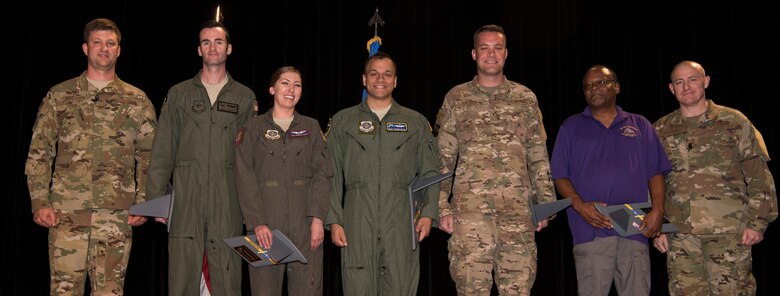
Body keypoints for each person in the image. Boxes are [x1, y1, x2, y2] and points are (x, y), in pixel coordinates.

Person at [25, 18, 156, 295]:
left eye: (110, 43)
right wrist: (40, 200)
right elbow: (39, 151)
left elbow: (149, 157)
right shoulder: (59, 96)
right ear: (86, 48)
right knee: (64, 291)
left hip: (116, 215)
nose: (104, 49)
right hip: (66, 214)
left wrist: (144, 202)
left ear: (119, 50)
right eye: (97, 42)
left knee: (109, 291)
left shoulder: (137, 100)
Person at [435, 24, 556, 296]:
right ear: (474, 55)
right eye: (484, 48)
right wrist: (440, 207)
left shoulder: (525, 98)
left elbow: (538, 154)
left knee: (518, 290)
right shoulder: (457, 98)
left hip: (519, 213)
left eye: (497, 48)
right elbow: (442, 159)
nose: (491, 54)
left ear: (506, 53)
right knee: (470, 290)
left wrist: (545, 205)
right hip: (469, 216)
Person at [146, 20, 256, 295]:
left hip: (228, 199)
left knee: (227, 276)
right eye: (206, 42)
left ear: (229, 49)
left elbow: (252, 159)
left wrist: (252, 209)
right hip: (186, 199)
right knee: (182, 275)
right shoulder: (179, 94)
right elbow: (162, 149)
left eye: (218, 42)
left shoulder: (244, 97)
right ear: (199, 50)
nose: (212, 47)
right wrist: (157, 201)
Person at [652, 61, 778, 296]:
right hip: (680, 236)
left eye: (692, 79)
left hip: (729, 233)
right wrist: (657, 229)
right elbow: (652, 182)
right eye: (679, 82)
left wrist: (758, 222)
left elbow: (758, 175)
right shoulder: (660, 129)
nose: (686, 86)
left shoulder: (734, 121)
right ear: (671, 88)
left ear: (706, 81)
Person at [325, 51, 441, 296]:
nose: (381, 79)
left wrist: (429, 214)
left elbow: (431, 172)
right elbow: (331, 175)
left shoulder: (415, 122)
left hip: (401, 222)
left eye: (387, 74)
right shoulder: (343, 122)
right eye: (374, 74)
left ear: (396, 81)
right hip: (356, 222)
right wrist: (335, 220)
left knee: (401, 287)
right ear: (364, 80)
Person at [550, 65, 671, 295]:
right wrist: (579, 205)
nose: (593, 88)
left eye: (600, 83)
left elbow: (655, 171)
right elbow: (559, 175)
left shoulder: (640, 125)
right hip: (591, 230)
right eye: (588, 85)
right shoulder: (571, 127)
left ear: (616, 87)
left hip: (635, 230)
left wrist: (658, 210)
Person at [235, 66, 332, 295]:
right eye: (285, 83)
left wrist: (318, 219)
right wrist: (256, 222)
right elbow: (244, 176)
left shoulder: (311, 127)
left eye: (297, 85)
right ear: (272, 89)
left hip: (305, 227)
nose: (291, 89)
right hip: (265, 228)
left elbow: (323, 174)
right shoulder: (253, 128)